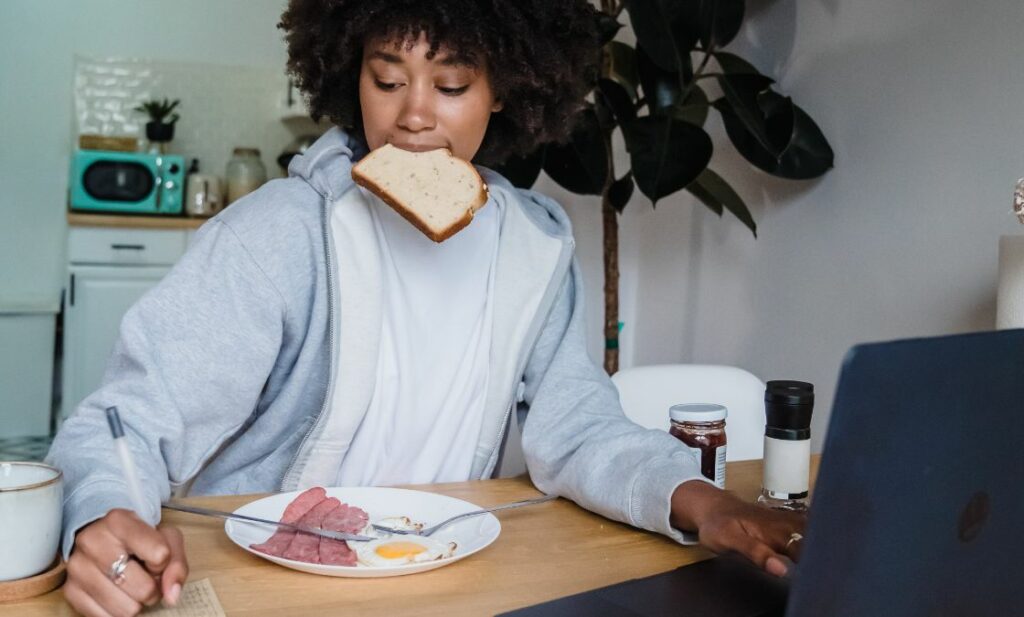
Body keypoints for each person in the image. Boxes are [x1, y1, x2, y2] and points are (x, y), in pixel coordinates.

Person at [47, 1, 805, 615]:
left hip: (440, 581)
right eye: (387, 78)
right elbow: (127, 421)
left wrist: (703, 502)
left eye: (450, 86)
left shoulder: (534, 246)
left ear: (505, 86)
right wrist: (100, 517)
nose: (413, 116)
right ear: (351, 73)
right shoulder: (280, 232)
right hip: (261, 586)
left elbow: (577, 430)